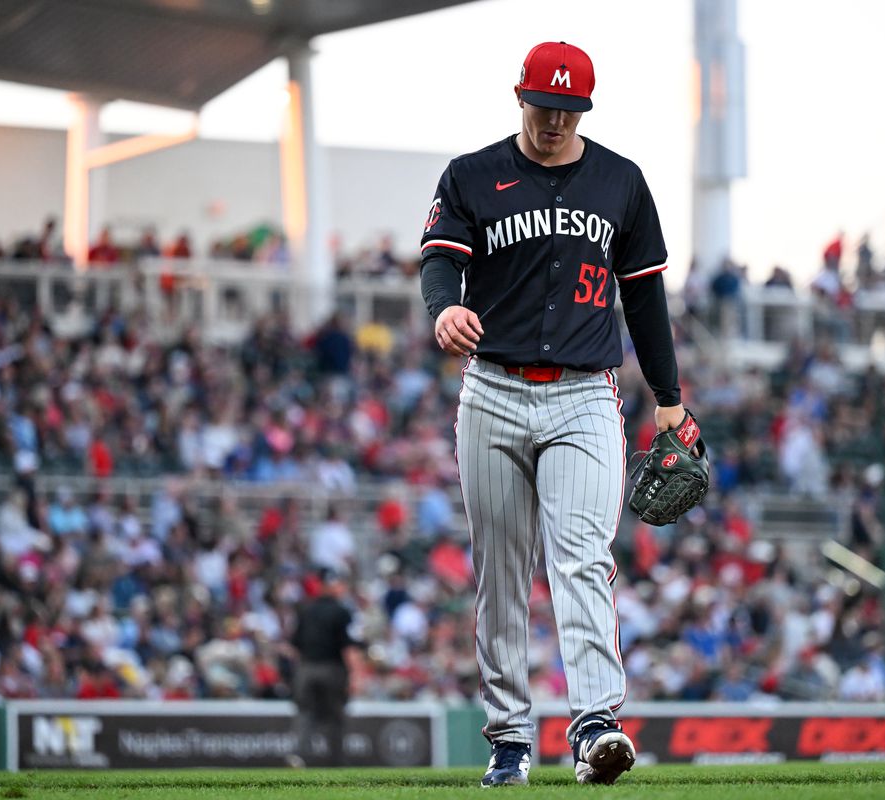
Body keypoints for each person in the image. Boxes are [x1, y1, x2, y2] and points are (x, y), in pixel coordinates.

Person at [419, 41, 686, 787]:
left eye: (568, 110)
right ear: (520, 97)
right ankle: (509, 738)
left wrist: (667, 399)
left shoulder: (620, 181)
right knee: (500, 572)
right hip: (495, 389)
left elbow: (646, 298)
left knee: (582, 558)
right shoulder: (473, 174)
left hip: (583, 394)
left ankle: (596, 724)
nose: (553, 122)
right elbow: (440, 256)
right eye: (543, 106)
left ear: (585, 109)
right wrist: (444, 310)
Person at [289, 569, 357, 768]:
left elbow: (295, 645)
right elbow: (349, 647)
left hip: (306, 668)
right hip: (332, 669)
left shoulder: (306, 610)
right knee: (335, 716)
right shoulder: (342, 611)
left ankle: (299, 756)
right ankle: (335, 761)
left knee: (306, 713)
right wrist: (355, 676)